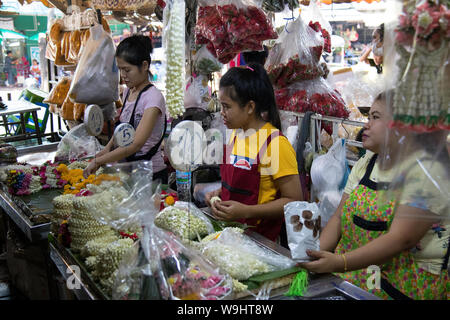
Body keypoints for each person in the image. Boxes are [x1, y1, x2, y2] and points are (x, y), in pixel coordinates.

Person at [299, 91, 449, 300]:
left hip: (402, 288)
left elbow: (402, 238)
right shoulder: (369, 161)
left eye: (375, 117)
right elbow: (339, 217)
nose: (366, 125)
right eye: (368, 117)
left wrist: (340, 262)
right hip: (353, 280)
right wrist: (313, 256)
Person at [205, 63, 302, 244]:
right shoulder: (235, 134)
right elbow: (238, 184)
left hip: (260, 242)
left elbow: (294, 200)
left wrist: (247, 211)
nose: (222, 113)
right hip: (229, 236)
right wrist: (220, 193)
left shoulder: (275, 144)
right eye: (221, 105)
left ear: (250, 107)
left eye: (227, 106)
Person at [83, 35, 168, 184]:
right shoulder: (129, 91)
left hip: (151, 175)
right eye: (120, 69)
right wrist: (105, 150)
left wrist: (99, 161)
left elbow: (136, 144)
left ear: (144, 65)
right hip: (130, 171)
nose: (123, 76)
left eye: (127, 70)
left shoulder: (154, 98)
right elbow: (122, 131)